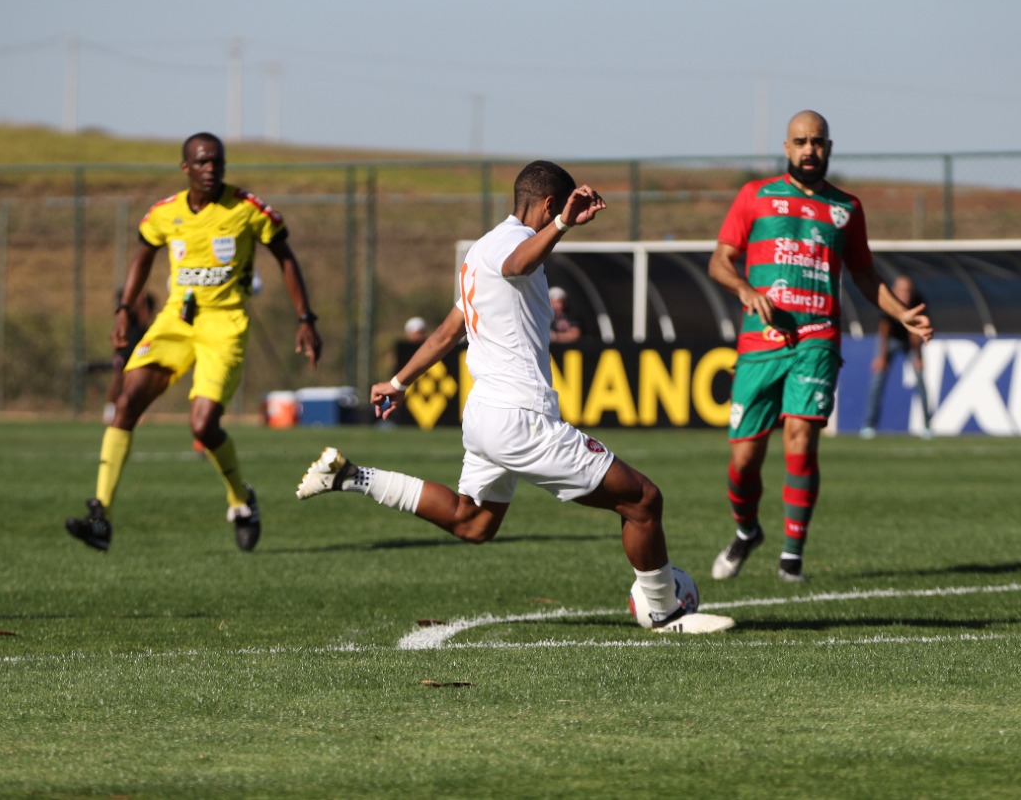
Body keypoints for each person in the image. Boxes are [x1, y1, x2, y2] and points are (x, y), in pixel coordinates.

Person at [296, 160, 733, 634]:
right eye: (560, 211)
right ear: (549, 204)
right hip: (519, 418)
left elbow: (448, 332)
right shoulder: (510, 247)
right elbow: (518, 263)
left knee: (473, 524)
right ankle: (664, 611)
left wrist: (398, 382)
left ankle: (353, 477)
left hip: (485, 414)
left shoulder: (479, 250)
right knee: (643, 500)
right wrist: (565, 223)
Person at [66, 132, 322, 553]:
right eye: (202, 162)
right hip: (175, 323)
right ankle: (101, 517)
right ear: (185, 168)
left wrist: (305, 319)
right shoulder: (164, 214)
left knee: (202, 425)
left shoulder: (245, 209)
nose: (211, 169)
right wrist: (124, 309)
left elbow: (285, 256)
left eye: (217, 162)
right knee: (126, 402)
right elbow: (143, 255)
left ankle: (241, 501)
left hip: (224, 327)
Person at [708, 110, 933, 584]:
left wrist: (901, 313)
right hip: (759, 342)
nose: (810, 149)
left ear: (829, 148)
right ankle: (747, 531)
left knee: (801, 438)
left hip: (817, 337)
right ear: (786, 149)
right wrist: (746, 291)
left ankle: (792, 556)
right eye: (801, 141)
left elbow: (865, 275)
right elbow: (720, 262)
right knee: (744, 460)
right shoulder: (755, 197)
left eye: (818, 141)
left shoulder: (846, 208)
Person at [860, 275, 933, 439]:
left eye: (908, 290)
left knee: (921, 379)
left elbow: (916, 332)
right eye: (902, 290)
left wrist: (918, 357)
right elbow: (884, 329)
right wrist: (882, 357)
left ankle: (927, 426)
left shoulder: (918, 302)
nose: (905, 294)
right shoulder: (889, 302)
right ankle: (869, 425)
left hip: (910, 341)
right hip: (891, 340)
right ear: (895, 290)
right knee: (878, 379)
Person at [103, 288, 155, 425]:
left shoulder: (146, 301)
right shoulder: (124, 301)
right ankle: (110, 410)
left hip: (139, 346)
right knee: (118, 379)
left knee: (136, 381)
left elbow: (145, 320)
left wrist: (141, 300)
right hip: (124, 346)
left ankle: (133, 411)